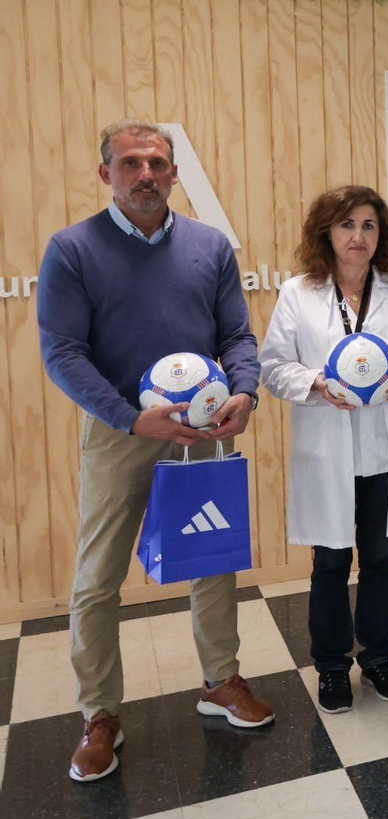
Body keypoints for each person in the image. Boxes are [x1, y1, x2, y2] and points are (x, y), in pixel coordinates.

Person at [38, 121, 271, 783]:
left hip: (203, 432)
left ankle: (220, 680)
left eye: (157, 162)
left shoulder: (210, 246)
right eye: (131, 162)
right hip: (121, 433)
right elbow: (63, 353)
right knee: (97, 579)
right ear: (106, 172)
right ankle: (99, 713)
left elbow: (237, 336)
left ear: (173, 173)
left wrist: (245, 392)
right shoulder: (72, 249)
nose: (146, 174)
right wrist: (131, 418)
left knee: (212, 556)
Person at [260, 186, 388, 714]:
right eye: (347, 225)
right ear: (326, 232)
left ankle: (378, 658)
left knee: (380, 558)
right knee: (331, 560)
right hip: (327, 449)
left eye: (369, 226)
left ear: (382, 235)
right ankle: (332, 666)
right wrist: (316, 383)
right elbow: (272, 366)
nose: (358, 236)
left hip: (383, 449)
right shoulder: (298, 293)